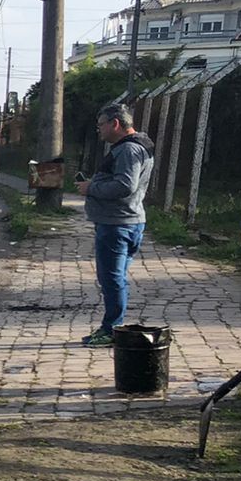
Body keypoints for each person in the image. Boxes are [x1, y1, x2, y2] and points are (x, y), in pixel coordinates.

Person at [75, 101, 156, 347]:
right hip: (126, 221)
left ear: (115, 124)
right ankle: (112, 326)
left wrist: (91, 188)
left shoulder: (128, 150)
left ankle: (111, 329)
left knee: (111, 280)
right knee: (115, 278)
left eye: (101, 125)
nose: (99, 130)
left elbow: (124, 186)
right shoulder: (137, 146)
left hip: (117, 224)